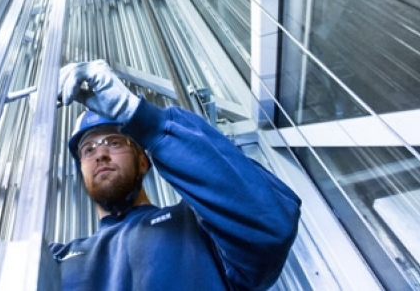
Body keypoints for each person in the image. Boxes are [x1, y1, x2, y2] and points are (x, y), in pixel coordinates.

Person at [51, 60, 302, 291]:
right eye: (88, 150)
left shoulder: (197, 225)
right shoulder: (56, 261)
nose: (100, 154)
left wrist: (142, 119)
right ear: (82, 170)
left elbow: (270, 224)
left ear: (142, 161)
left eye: (114, 143)